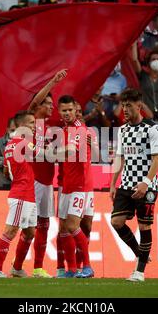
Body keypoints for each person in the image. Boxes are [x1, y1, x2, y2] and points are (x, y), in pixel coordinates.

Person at [110, 88, 158, 282]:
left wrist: (146, 183)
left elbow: (157, 159)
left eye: (129, 105)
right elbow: (119, 157)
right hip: (126, 184)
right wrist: (112, 184)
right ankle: (140, 254)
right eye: (123, 105)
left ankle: (139, 272)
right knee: (116, 222)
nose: (125, 109)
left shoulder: (152, 128)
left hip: (146, 186)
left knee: (144, 226)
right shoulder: (123, 130)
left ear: (138, 106)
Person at [28, 69, 67, 278]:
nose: (51, 108)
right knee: (26, 227)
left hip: (47, 182)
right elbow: (35, 102)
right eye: (48, 104)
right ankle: (15, 266)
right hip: (32, 181)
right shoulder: (33, 121)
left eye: (53, 106)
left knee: (44, 224)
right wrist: (53, 81)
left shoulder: (54, 128)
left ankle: (37, 267)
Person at [0, 111, 38, 278]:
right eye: (32, 123)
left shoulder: (10, 145)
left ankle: (17, 268)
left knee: (30, 232)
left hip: (27, 193)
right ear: (23, 126)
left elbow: (5, 170)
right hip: (21, 195)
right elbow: (45, 155)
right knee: (11, 231)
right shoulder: (24, 143)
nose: (35, 127)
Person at [56, 94, 95, 278]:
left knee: (73, 225)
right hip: (66, 184)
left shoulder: (78, 129)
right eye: (64, 110)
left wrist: (48, 152)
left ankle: (87, 266)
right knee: (63, 227)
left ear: (76, 111)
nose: (68, 113)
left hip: (80, 184)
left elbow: (71, 151)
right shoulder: (65, 129)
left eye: (70, 110)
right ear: (59, 112)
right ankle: (71, 269)